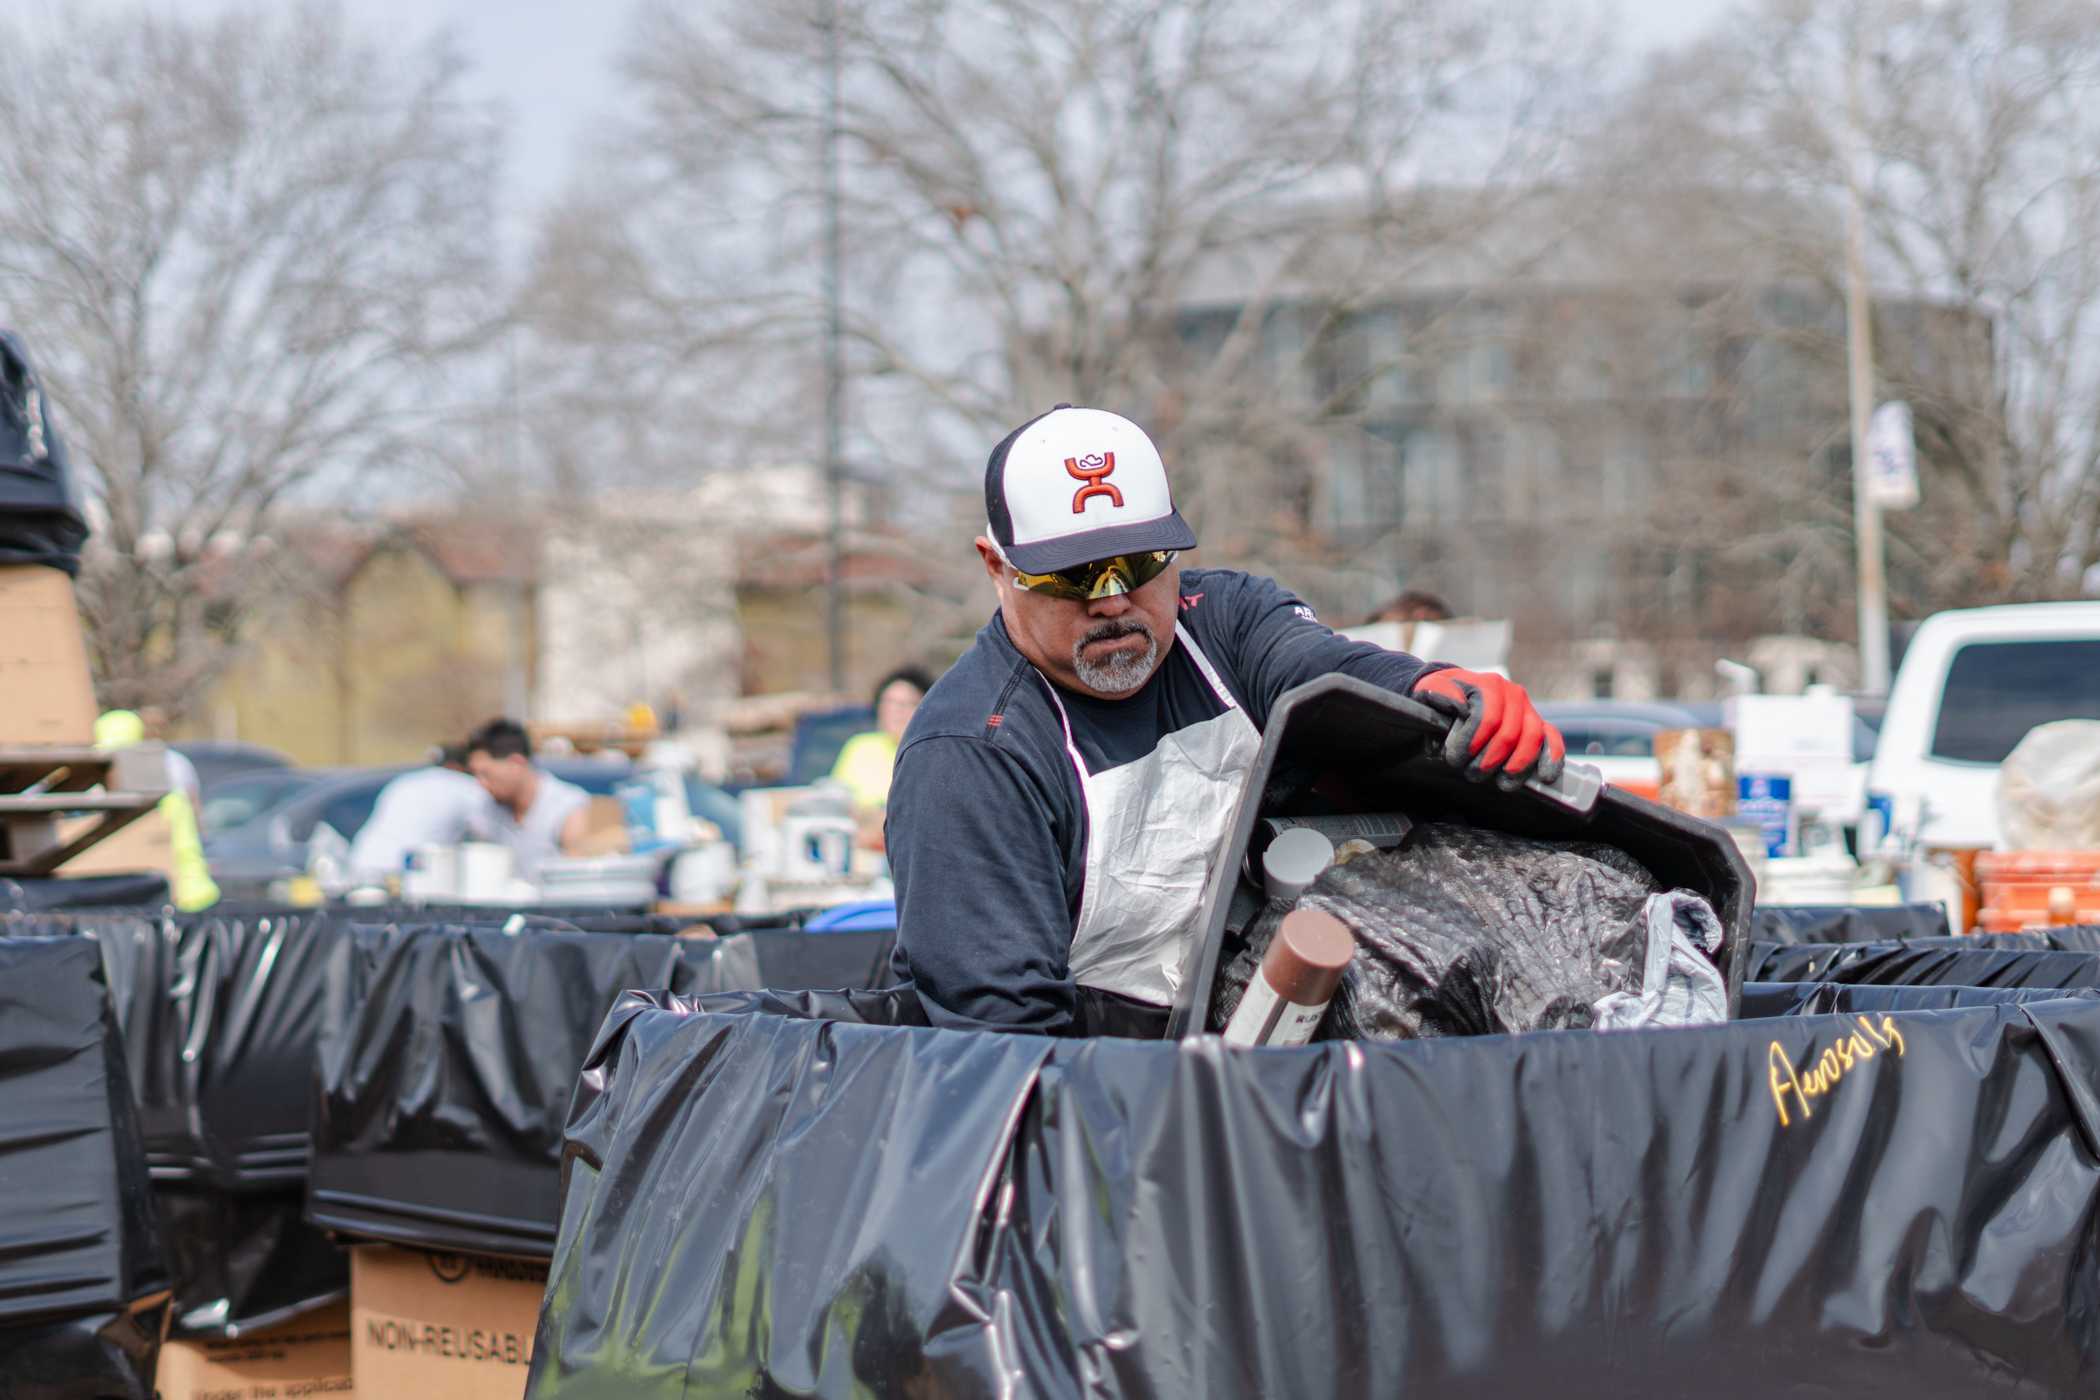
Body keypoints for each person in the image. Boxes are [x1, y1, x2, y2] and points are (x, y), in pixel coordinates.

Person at [886, 405, 1563, 1035]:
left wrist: (1430, 687)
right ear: (997, 568)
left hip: (1273, 1035)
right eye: (1075, 576)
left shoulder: (1226, 622)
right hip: (1103, 1088)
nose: (1113, 601)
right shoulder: (971, 756)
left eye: (1139, 564)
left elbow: (1318, 667)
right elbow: (1009, 1045)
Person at [463, 718, 591, 880]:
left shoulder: (567, 804)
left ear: (516, 763)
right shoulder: (485, 809)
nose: (481, 783)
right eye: (475, 775)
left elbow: (576, 875)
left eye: (486, 774)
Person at [347, 743, 485, 885]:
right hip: (408, 875)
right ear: (457, 766)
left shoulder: (405, 781)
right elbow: (494, 835)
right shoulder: (466, 786)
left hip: (361, 863)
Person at [831, 667, 934, 811]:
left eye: (906, 704)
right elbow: (836, 798)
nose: (896, 711)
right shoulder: (859, 746)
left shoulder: (934, 753)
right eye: (889, 703)